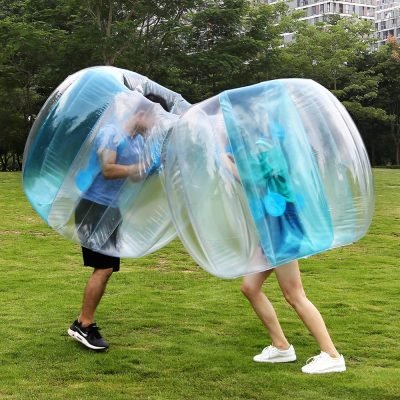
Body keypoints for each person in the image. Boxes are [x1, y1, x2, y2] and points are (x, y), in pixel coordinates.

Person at [221, 141, 346, 374]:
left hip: (283, 231)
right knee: (250, 287)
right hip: (271, 230)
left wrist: (224, 161)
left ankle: (332, 355)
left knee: (294, 294)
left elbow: (256, 183)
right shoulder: (255, 146)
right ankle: (281, 346)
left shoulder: (267, 145)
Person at [68, 93, 168, 351]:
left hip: (112, 209)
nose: (155, 125)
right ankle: (83, 325)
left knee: (107, 268)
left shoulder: (138, 142)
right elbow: (108, 168)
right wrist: (136, 168)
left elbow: (134, 178)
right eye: (155, 119)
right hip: (92, 206)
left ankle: (83, 322)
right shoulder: (111, 133)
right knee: (103, 267)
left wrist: (151, 166)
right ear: (142, 113)